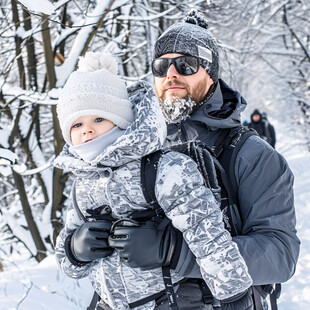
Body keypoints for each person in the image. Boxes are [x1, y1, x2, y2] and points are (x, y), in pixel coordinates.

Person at [109, 9, 300, 310]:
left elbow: (280, 254)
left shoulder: (252, 156)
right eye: (161, 66)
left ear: (211, 75)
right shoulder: (134, 149)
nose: (171, 74)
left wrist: (175, 251)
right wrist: (78, 245)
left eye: (186, 65)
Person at [54, 51, 253, 310]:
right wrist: (73, 250)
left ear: (121, 121)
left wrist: (233, 295)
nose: (87, 130)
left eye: (99, 119)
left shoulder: (163, 168)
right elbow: (68, 262)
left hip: (172, 301)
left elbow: (207, 232)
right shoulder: (83, 182)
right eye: (76, 124)